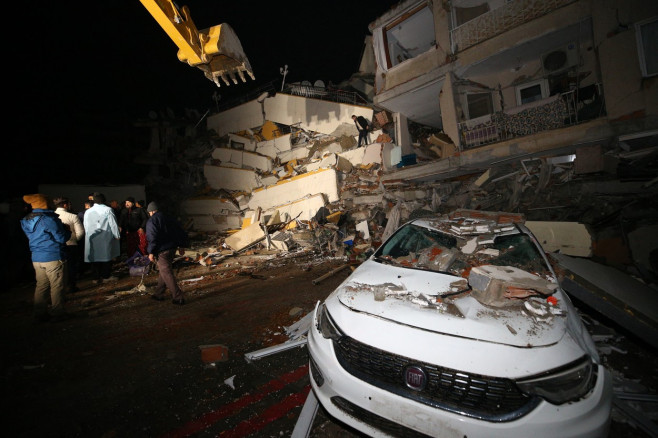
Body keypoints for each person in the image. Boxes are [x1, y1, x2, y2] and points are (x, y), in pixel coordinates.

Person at [20, 194, 71, 322]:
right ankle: (58, 312)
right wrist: (67, 230)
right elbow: (61, 238)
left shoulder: (26, 219)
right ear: (44, 203)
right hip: (52, 256)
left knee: (41, 285)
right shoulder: (48, 219)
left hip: (36, 257)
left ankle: (39, 313)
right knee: (57, 286)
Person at [146, 202, 190, 305]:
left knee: (166, 272)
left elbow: (152, 237)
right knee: (164, 271)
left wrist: (150, 252)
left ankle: (178, 297)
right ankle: (159, 293)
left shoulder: (152, 221)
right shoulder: (169, 218)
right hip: (172, 248)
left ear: (151, 211)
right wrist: (181, 246)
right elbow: (180, 231)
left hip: (162, 250)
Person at [83, 193, 121, 284]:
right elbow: (113, 223)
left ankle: (96, 277)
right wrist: (117, 235)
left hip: (92, 237)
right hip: (105, 237)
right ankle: (105, 276)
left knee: (95, 257)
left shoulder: (88, 211)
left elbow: (85, 225)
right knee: (106, 257)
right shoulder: (107, 209)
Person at [53, 197, 85, 293]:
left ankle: (59, 287)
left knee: (58, 268)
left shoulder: (52, 216)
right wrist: (74, 240)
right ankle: (71, 286)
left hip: (56, 246)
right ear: (65, 205)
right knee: (71, 267)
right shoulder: (72, 216)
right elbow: (80, 232)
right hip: (71, 244)